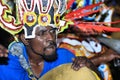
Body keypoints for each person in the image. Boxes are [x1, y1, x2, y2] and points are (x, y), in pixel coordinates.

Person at [0, 0, 120, 80]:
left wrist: (91, 66)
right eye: (42, 33)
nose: (50, 38)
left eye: (53, 31)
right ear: (25, 39)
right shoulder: (6, 64)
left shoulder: (64, 56)